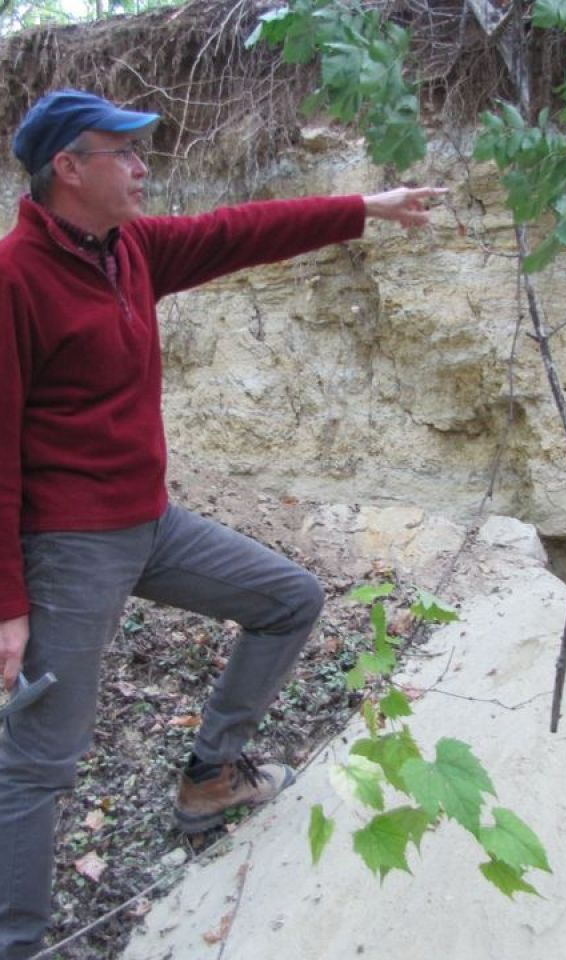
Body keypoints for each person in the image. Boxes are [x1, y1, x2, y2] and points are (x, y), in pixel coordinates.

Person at [0, 88, 445, 959]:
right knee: (41, 761)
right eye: (124, 153)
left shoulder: (130, 249)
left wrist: (366, 207)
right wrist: (8, 603)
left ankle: (209, 779)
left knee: (289, 599)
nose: (142, 168)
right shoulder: (15, 278)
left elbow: (241, 230)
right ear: (69, 168)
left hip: (151, 524)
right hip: (70, 547)